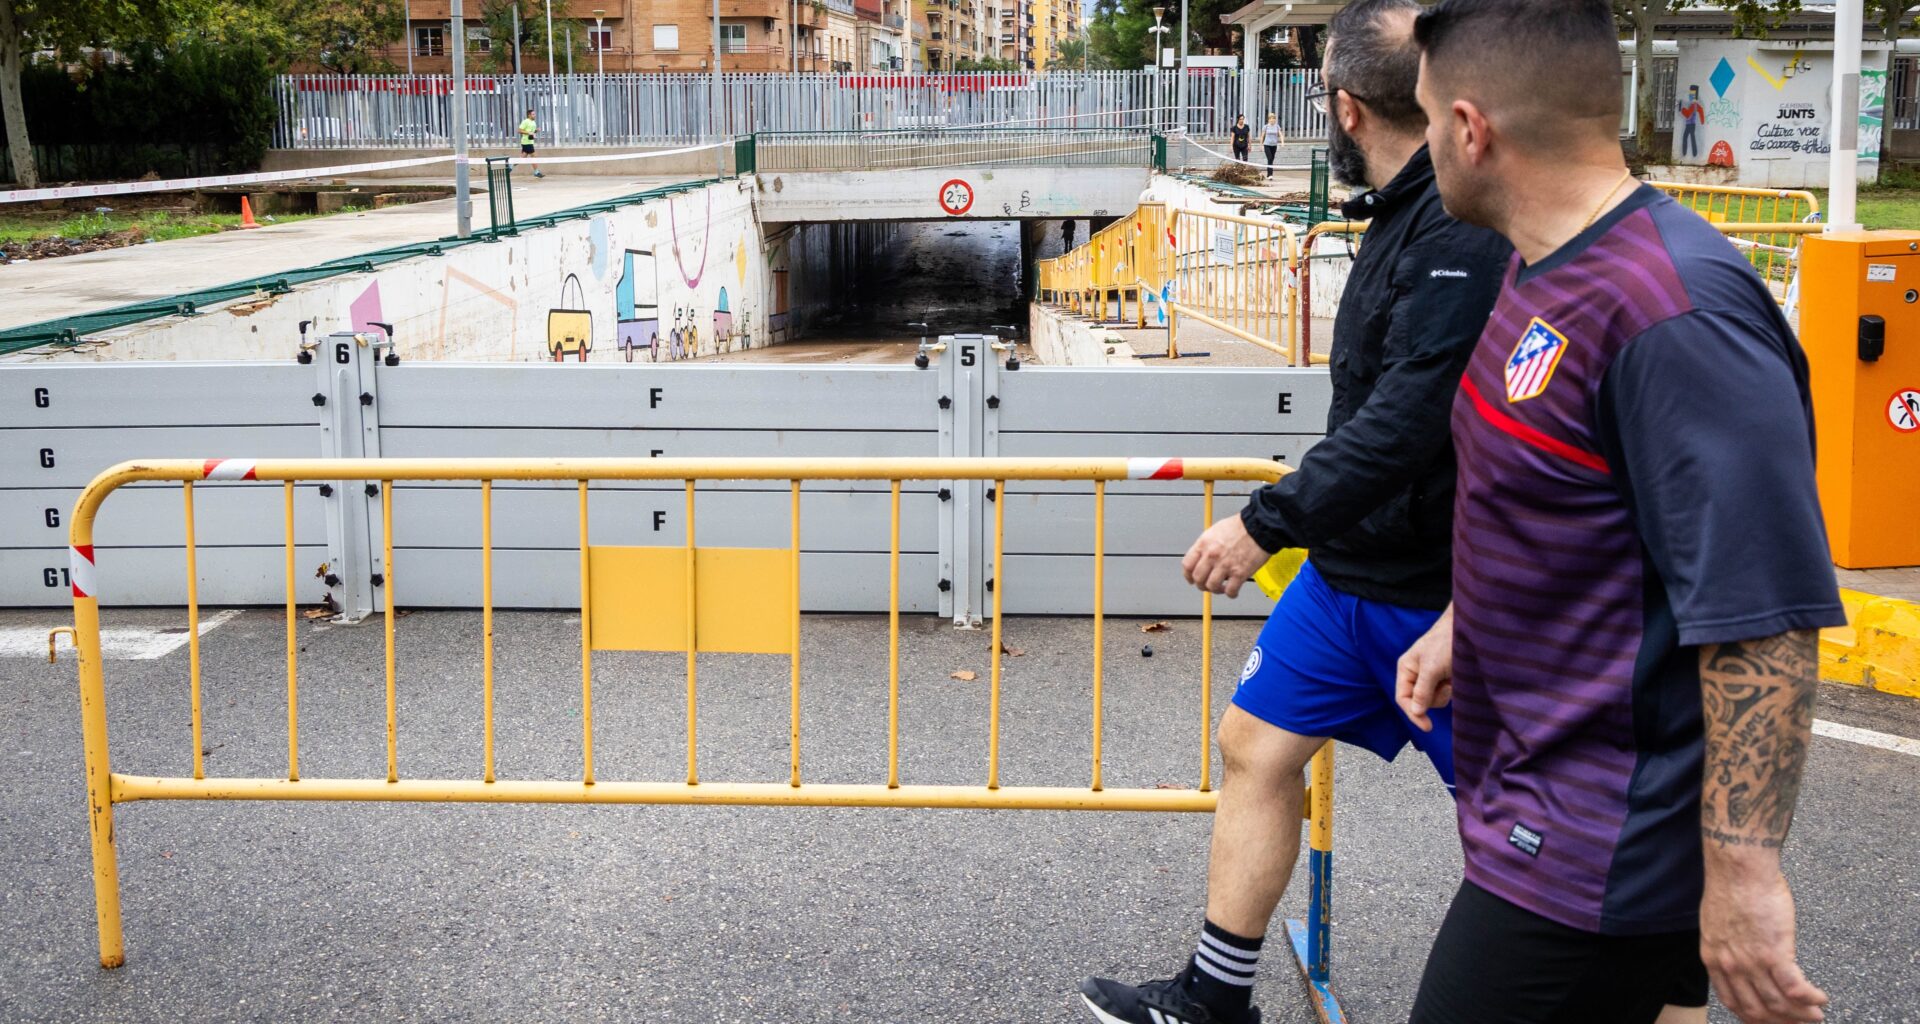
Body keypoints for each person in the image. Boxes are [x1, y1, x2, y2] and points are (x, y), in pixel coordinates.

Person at [1398, 2, 1845, 1022]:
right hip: (1537, 803)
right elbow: (1568, 496)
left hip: (1597, 850)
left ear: (1472, 130)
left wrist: (1741, 879)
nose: (1427, 145)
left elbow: (1764, 619)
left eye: (1427, 121)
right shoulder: (1543, 263)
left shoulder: (1672, 313)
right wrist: (1466, 623)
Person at [1077, 3, 1512, 1022]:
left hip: (1447, 594)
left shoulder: (1460, 226)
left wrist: (1266, 519)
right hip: (1351, 573)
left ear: (1348, 108)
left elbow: (1414, 413)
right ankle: (1212, 997)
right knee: (1256, 746)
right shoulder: (1412, 208)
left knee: (1518, 831)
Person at [1678, 84, 1705, 159]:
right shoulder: (1694, 105)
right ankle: (1693, 153)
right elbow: (1701, 110)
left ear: (1694, 96)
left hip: (1690, 125)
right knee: (1691, 137)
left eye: (1691, 95)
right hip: (1691, 125)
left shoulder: (1693, 105)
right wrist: (1702, 120)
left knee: (1686, 137)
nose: (1690, 96)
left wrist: (1682, 109)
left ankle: (1686, 153)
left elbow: (1687, 114)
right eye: (1690, 94)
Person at [518, 108, 544, 178]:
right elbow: (519, 130)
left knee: (522, 157)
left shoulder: (533, 122)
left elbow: (532, 132)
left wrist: (536, 130)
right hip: (526, 142)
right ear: (529, 115)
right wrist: (528, 132)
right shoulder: (525, 121)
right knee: (534, 156)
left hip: (530, 142)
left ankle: (510, 166)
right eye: (533, 114)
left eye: (534, 114)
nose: (534, 115)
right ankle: (536, 172)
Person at [1260, 112, 1282, 178]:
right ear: (1268, 120)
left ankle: (1268, 172)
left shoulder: (1277, 126)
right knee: (1269, 158)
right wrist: (1261, 145)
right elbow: (1262, 136)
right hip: (1267, 144)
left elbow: (1280, 134)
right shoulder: (1266, 127)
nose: (1272, 120)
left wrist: (1282, 142)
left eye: (1273, 118)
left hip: (1274, 145)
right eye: (1270, 119)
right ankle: (1270, 174)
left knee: (1271, 159)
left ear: (1275, 119)